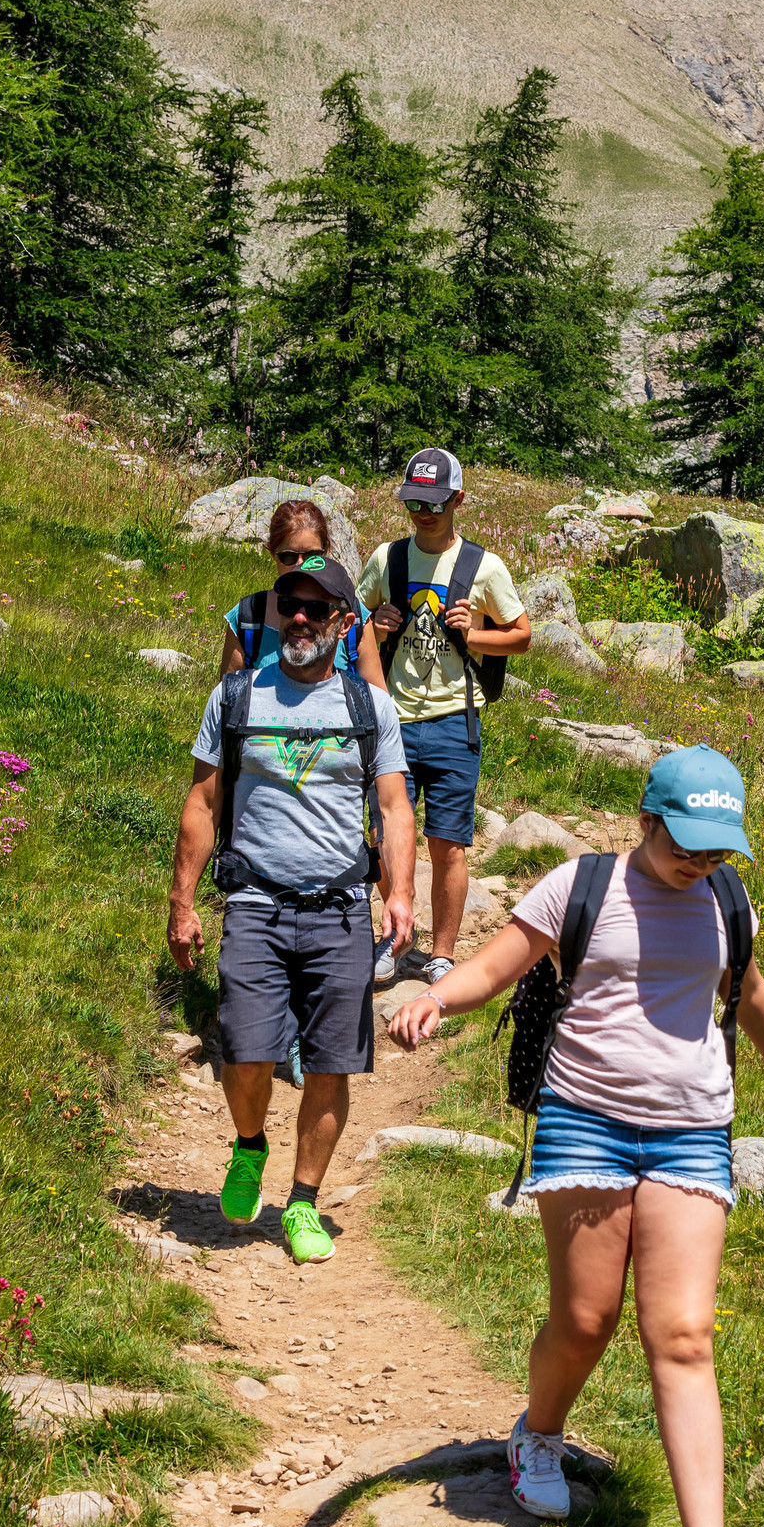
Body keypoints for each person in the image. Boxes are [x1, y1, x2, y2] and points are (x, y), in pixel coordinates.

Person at [388, 744, 764, 1527]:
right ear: (647, 818)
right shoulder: (581, 884)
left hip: (693, 1129)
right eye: (687, 842)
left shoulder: (726, 900)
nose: (701, 861)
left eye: (718, 848)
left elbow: (746, 990)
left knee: (682, 1331)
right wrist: (440, 996)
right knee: (587, 1318)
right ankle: (538, 1435)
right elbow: (499, 963)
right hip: (584, 1121)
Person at [169, 557, 416, 1265]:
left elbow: (396, 808)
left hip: (339, 909)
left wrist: (398, 892)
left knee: (333, 1064)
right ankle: (250, 1144)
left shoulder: (370, 708)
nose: (299, 619)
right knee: (247, 1051)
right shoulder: (237, 697)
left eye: (316, 608)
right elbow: (202, 801)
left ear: (345, 623)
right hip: (254, 902)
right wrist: (182, 901)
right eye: (289, 607)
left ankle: (303, 1202)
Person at [357, 449, 530, 989]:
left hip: (458, 718)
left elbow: (521, 634)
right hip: (393, 719)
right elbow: (350, 623)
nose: (422, 513)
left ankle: (443, 954)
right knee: (387, 833)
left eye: (433, 503)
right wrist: (375, 625)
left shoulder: (485, 567)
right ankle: (394, 939)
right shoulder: (388, 560)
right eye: (413, 502)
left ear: (458, 499)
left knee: (448, 842)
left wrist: (472, 635)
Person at [219, 497, 387, 688]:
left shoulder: (353, 615)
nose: (301, 565)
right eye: (289, 557)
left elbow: (377, 702)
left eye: (311, 556)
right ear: (273, 554)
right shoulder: (248, 617)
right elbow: (228, 701)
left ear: (325, 552)